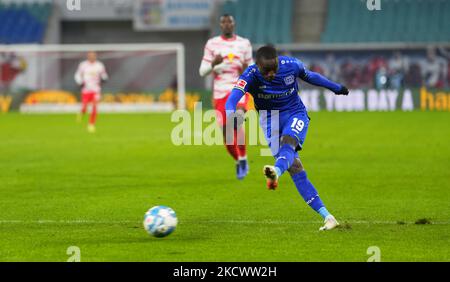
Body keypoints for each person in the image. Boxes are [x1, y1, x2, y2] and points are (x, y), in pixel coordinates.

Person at [225, 45, 349, 231]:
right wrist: (231, 116)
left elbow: (312, 76)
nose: (271, 74)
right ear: (257, 65)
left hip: (295, 113)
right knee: (295, 167)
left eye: (274, 69)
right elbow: (231, 99)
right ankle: (328, 217)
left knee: (288, 144)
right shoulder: (249, 75)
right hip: (270, 121)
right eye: (267, 71)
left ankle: (276, 171)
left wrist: (336, 88)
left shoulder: (292, 65)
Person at [199, 14, 253, 180]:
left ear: (234, 24)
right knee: (226, 134)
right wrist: (213, 64)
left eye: (230, 21)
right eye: (224, 21)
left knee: (236, 122)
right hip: (220, 92)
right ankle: (239, 160)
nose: (227, 24)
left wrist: (246, 69)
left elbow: (252, 70)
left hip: (239, 89)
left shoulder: (244, 44)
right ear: (220, 25)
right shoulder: (212, 44)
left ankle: (243, 157)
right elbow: (202, 71)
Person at [75, 51, 108, 133]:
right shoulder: (83, 65)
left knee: (94, 107)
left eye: (93, 56)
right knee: (85, 106)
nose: (92, 57)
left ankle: (91, 124)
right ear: (88, 56)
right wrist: (80, 82)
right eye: (90, 55)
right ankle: (81, 113)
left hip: (95, 89)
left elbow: (104, 75)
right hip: (86, 90)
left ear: (95, 56)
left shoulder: (99, 65)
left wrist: (104, 79)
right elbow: (77, 75)